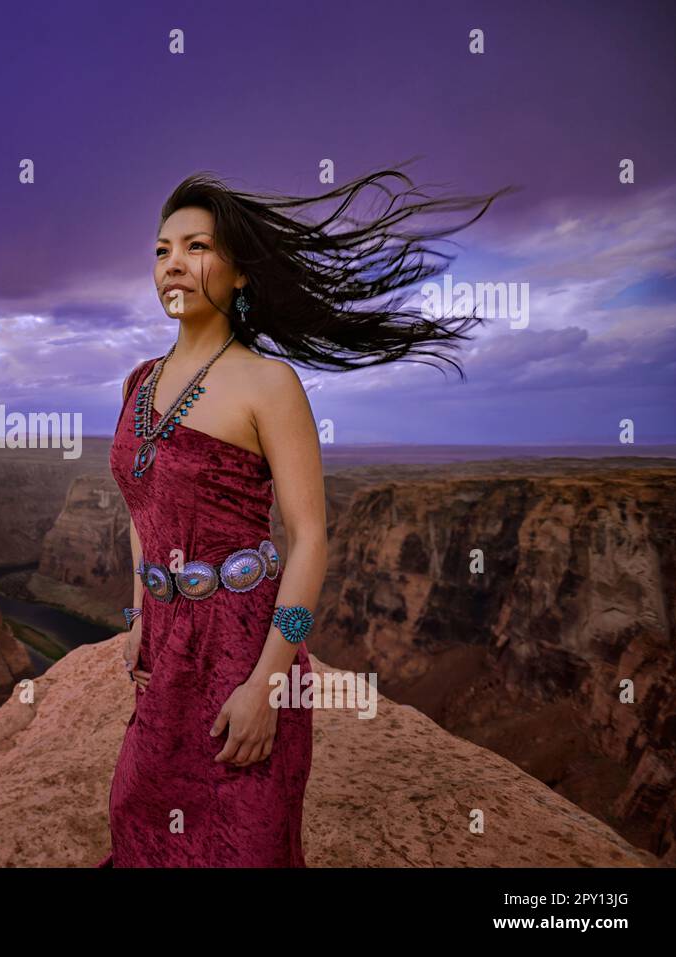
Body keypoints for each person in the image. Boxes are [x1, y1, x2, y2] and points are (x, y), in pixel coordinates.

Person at [97, 165, 513, 867]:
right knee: (136, 819)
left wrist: (268, 684)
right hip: (167, 653)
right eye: (163, 249)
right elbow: (145, 509)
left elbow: (311, 538)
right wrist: (141, 621)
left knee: (243, 843)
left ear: (239, 274)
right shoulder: (140, 382)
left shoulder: (270, 384)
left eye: (196, 247)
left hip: (243, 648)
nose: (173, 264)